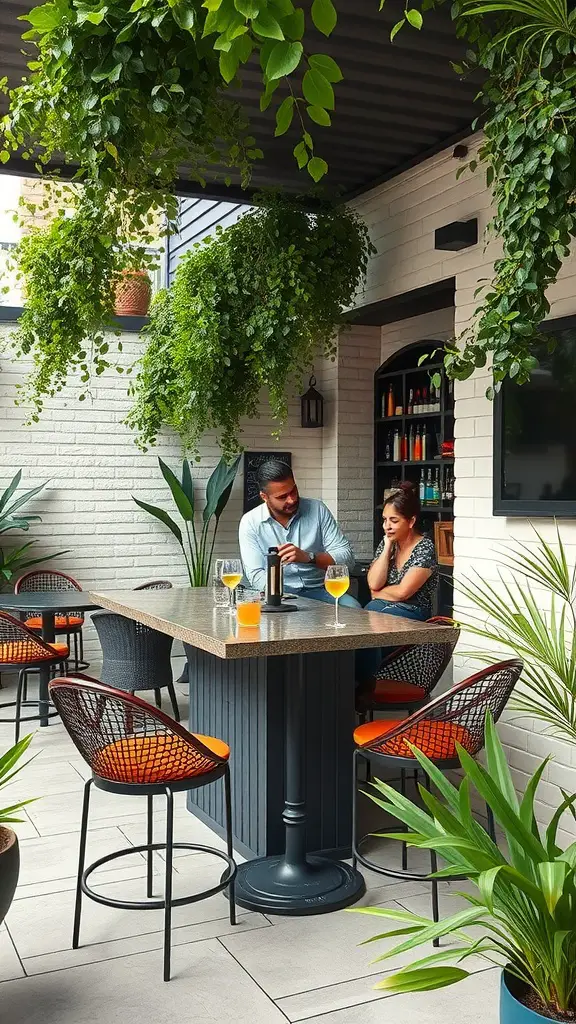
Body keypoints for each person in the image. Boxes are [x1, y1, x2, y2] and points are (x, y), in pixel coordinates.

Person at [238, 459, 361, 608]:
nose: (292, 499)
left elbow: (347, 559)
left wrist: (309, 557)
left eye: (294, 491)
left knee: (354, 607)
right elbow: (256, 575)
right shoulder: (250, 522)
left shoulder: (317, 509)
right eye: (282, 497)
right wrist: (281, 597)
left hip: (321, 591)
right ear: (264, 497)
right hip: (280, 595)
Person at [356, 482, 438, 683]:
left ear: (411, 521)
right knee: (360, 627)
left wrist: (378, 593)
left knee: (370, 629)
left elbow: (403, 593)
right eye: (384, 520)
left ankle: (365, 687)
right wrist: (386, 549)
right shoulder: (388, 542)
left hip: (414, 612)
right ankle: (362, 685)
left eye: (394, 520)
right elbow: (374, 582)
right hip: (380, 608)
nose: (387, 526)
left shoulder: (425, 547)